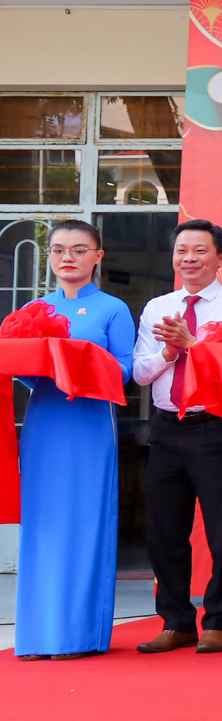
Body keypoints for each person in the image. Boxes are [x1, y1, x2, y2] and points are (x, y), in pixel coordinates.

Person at [133, 219, 222, 655]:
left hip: (218, 424)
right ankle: (176, 620)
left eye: (200, 250)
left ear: (221, 258)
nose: (189, 258)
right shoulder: (157, 307)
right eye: (182, 250)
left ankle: (220, 621)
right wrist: (169, 351)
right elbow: (140, 373)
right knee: (165, 529)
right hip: (167, 427)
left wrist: (193, 345)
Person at [13, 220, 134, 660]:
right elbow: (25, 371)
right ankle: (38, 635)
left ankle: (79, 635)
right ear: (49, 257)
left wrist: (78, 361)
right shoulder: (34, 310)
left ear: (97, 257)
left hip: (89, 421)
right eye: (60, 249)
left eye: (80, 249)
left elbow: (125, 372)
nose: (69, 257)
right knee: (43, 524)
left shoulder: (112, 309)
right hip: (46, 420)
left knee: (85, 522)